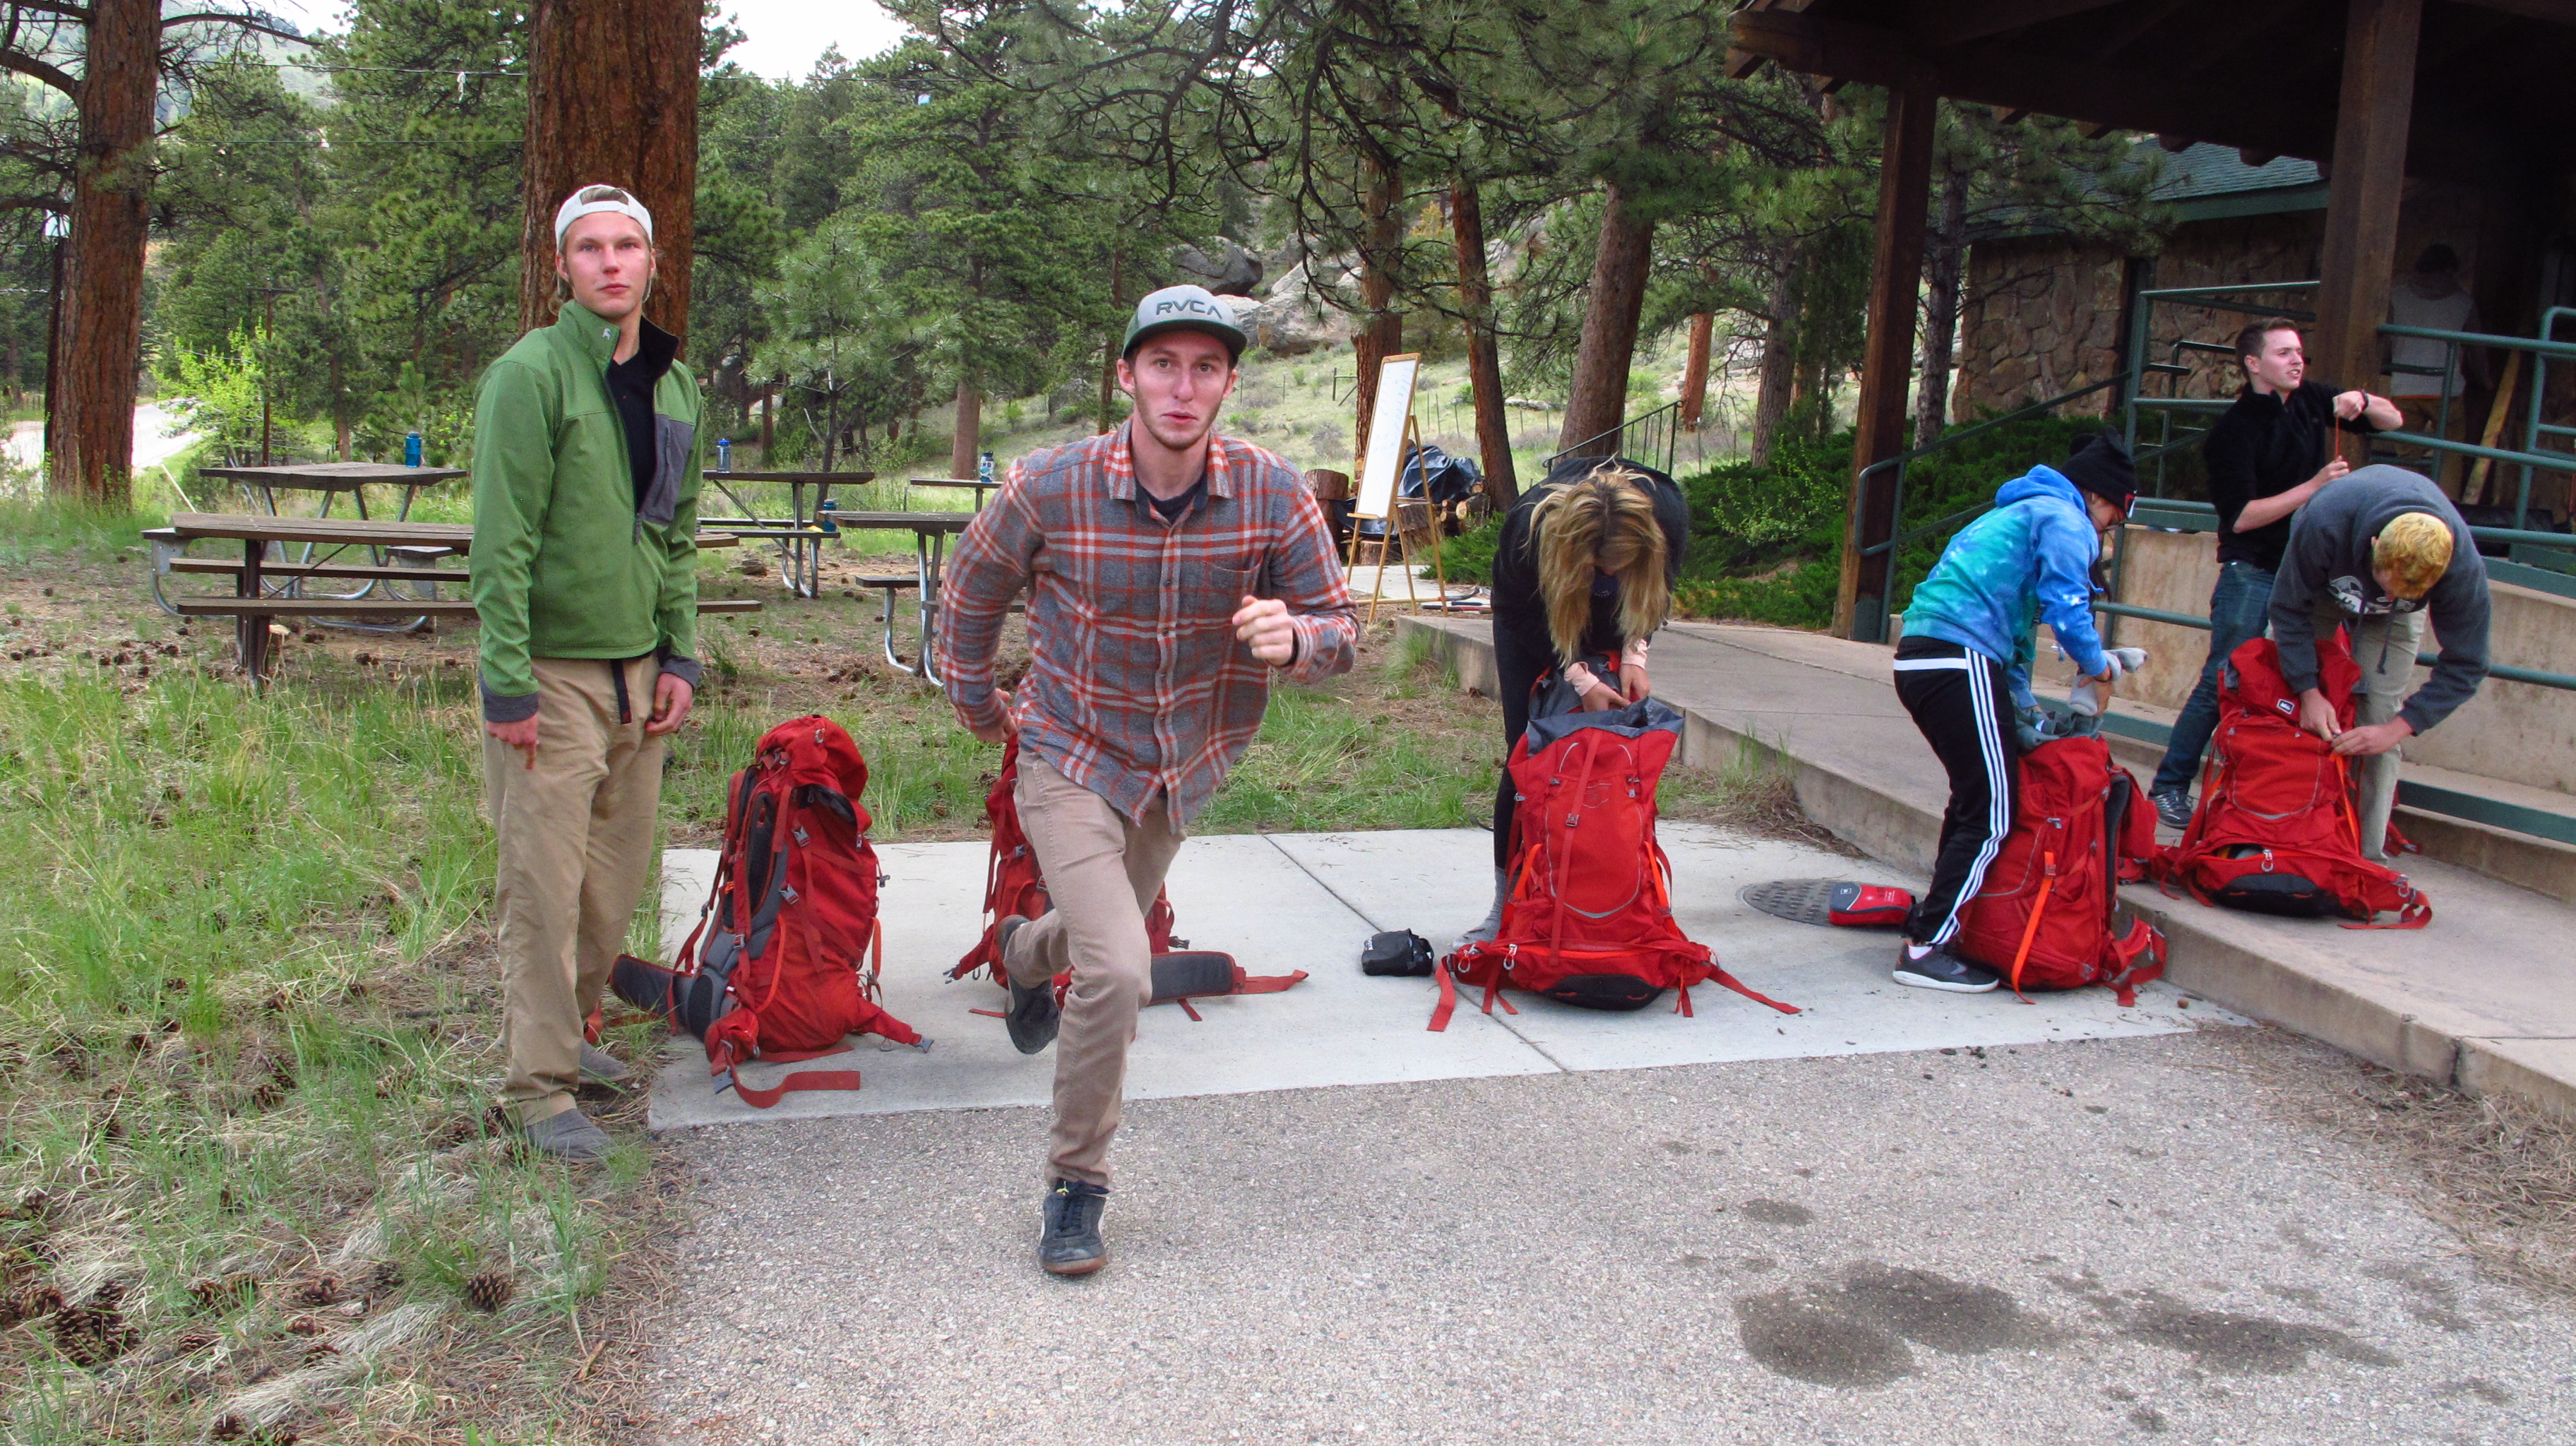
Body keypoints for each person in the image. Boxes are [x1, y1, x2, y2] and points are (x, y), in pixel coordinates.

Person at [936, 283, 1356, 1277]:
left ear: (1228, 383)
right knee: (1122, 968)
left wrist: (1298, 639)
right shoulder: (1053, 483)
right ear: (1126, 375)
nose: (1183, 386)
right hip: (1069, 753)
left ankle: (1025, 952)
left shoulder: (1271, 490)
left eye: (1205, 367)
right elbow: (970, 591)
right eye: (1163, 364)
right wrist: (977, 705)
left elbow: (1343, 630)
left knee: (1090, 944)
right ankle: (1076, 1187)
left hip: (1181, 769)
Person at [470, 184, 704, 1160]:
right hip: (554, 676)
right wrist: (507, 683)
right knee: (544, 886)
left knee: (610, 890)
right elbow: (502, 540)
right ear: (562, 267)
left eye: (628, 247)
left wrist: (680, 651)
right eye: (590, 249)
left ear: (652, 263)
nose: (612, 263)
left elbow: (677, 532)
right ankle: (537, 1093)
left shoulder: (673, 384)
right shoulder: (530, 377)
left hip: (639, 677)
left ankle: (574, 1039)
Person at [1889, 430, 2140, 993]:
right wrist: (2100, 667)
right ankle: (1926, 947)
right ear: (2100, 498)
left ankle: (1939, 922)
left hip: (1929, 657)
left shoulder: (2023, 512)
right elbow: (2069, 611)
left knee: (1974, 798)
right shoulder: (2066, 519)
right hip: (1960, 659)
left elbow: (2022, 633)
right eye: (2114, 522)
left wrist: (2024, 706)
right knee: (1996, 811)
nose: (2107, 534)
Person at [2145, 320, 2402, 830]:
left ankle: (2272, 792)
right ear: (2253, 363)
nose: (2296, 361)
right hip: (2254, 570)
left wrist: (2361, 398)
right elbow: (2239, 517)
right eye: (2284, 353)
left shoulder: (2312, 400)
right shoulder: (2234, 431)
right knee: (2226, 674)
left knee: (2300, 678)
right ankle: (2170, 785)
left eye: (2299, 352)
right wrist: (2313, 488)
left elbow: (2391, 421)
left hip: (2310, 575)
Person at [1459, 454, 1688, 946]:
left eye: (1616, 565)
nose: (1605, 573)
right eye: (1598, 566)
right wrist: (1578, 677)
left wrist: (1635, 653)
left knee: (1616, 754)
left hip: (1622, 608)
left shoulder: (1667, 513)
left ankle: (1605, 898)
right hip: (1540, 610)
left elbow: (1658, 590)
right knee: (1529, 750)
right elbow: (1517, 613)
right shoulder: (1528, 528)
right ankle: (1505, 907)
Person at [2268, 465, 2491, 861]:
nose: (2385, 596)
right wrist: (2307, 689)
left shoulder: (2461, 567)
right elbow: (2288, 608)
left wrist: (2397, 729)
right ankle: (2272, 830)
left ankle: (2365, 860)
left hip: (2393, 624)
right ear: (2374, 544)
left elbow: (2468, 664)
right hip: (2325, 585)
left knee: (2378, 719)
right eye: (2385, 583)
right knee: (2281, 700)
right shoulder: (2325, 522)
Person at [2385, 244, 2488, 497]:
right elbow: (2477, 347)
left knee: (2407, 457)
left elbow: (2384, 340)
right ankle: (2448, 506)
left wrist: (2388, 366)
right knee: (2450, 455)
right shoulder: (2463, 302)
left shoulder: (2397, 297)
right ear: (2450, 270)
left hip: (2404, 388)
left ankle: (2404, 503)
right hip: (2446, 392)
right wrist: (2486, 380)